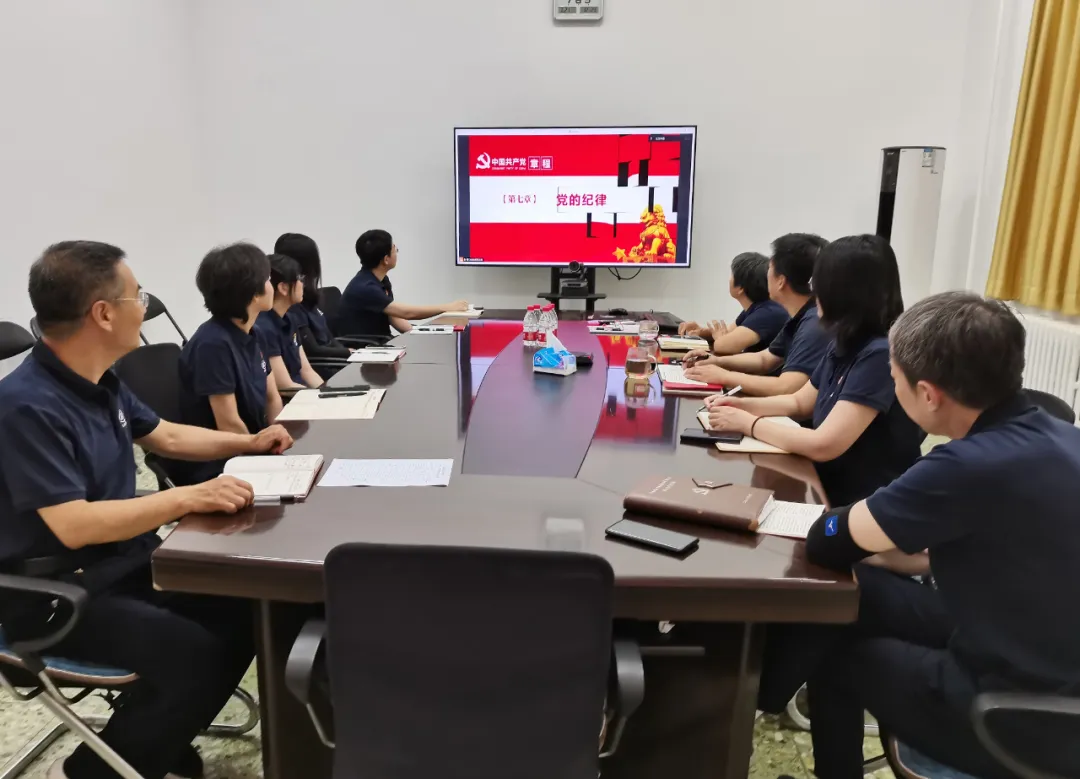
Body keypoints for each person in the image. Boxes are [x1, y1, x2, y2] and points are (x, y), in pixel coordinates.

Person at [0, 241, 294, 779]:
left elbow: (167, 436)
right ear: (103, 313)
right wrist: (187, 497)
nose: (145, 306)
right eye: (137, 296)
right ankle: (94, 771)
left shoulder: (101, 380)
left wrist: (248, 444)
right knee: (192, 653)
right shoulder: (24, 406)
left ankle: (151, 742)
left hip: (121, 563)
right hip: (53, 595)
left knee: (251, 609)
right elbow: (73, 525)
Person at [793, 292, 1080, 778]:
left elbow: (827, 538)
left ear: (927, 394)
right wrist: (886, 547)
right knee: (865, 593)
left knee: (838, 657)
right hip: (1041, 655)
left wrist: (863, 532)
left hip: (1021, 710)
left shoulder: (963, 466)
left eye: (894, 377)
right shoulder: (1062, 436)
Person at [704, 235, 923, 506]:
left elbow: (824, 444)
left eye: (818, 284)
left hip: (863, 505)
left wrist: (748, 423)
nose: (813, 293)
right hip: (827, 488)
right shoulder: (843, 343)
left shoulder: (878, 355)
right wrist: (740, 405)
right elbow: (799, 403)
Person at [174, 242, 285, 485]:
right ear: (253, 292)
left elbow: (272, 398)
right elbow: (229, 424)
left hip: (253, 448)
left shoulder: (255, 332)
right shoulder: (212, 345)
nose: (271, 285)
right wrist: (264, 462)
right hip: (221, 466)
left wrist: (280, 444)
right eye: (267, 279)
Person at [683, 233, 830, 396]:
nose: (766, 275)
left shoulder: (813, 324)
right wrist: (715, 361)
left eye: (770, 268)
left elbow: (785, 387)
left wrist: (724, 376)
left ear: (780, 281)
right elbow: (765, 360)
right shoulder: (800, 316)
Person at [337, 229, 468, 337]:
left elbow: (394, 316)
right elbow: (406, 313)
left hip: (382, 344)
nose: (397, 252)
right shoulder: (365, 288)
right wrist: (447, 307)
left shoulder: (381, 280)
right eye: (395, 249)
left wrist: (421, 332)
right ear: (386, 259)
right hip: (367, 350)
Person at [676, 252, 789, 355]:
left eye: (732, 275)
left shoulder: (767, 313)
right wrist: (701, 332)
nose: (729, 280)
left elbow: (723, 346)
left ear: (740, 288)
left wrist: (720, 339)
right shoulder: (757, 307)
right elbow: (730, 332)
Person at [274, 232, 351, 361]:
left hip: (335, 361)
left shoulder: (308, 298)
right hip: (325, 364)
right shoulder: (291, 307)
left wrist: (349, 352)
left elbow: (329, 338)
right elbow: (312, 350)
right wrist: (347, 353)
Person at [253, 253, 324, 391]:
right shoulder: (265, 327)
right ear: (283, 288)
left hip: (303, 393)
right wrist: (317, 397)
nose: (303, 284)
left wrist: (327, 393)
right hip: (292, 398)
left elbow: (307, 371)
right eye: (300, 279)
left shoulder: (290, 318)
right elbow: (285, 386)